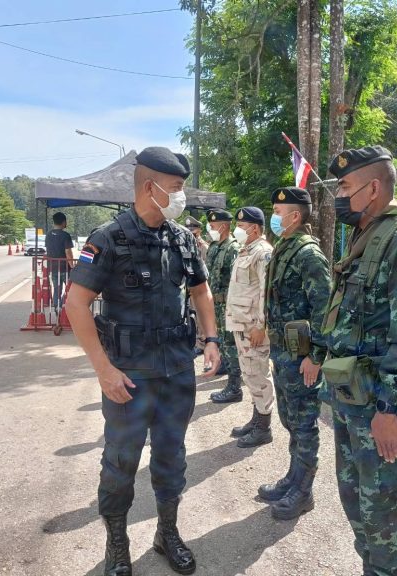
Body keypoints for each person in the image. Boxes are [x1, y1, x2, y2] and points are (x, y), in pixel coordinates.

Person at [65, 147, 221, 576]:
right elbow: (76, 304)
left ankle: (166, 532)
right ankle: (117, 543)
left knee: (172, 457)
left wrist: (211, 339)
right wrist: (104, 370)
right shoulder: (108, 238)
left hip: (175, 371)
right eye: (176, 187)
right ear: (150, 187)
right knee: (121, 462)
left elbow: (201, 290)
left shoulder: (182, 238)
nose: (182, 194)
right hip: (129, 376)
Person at [322, 146, 397, 576]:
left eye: (345, 187)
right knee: (354, 498)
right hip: (351, 397)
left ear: (372, 189)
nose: (339, 196)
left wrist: (389, 409)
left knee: (381, 506)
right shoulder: (365, 236)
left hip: (378, 405)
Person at [260, 186, 331, 520]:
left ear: (295, 215)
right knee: (290, 418)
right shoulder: (285, 247)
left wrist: (315, 356)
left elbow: (324, 308)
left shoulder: (308, 254)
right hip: (284, 348)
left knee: (304, 422)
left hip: (301, 352)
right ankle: (293, 478)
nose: (274, 217)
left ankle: (304, 492)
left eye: (278, 211)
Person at [225, 207, 275, 448]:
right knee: (250, 374)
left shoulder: (263, 253)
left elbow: (267, 291)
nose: (238, 230)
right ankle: (257, 419)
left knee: (258, 375)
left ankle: (264, 428)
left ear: (254, 228)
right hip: (242, 323)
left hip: (253, 327)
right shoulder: (246, 250)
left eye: (241, 226)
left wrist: (261, 326)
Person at [205, 208, 243, 403]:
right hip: (216, 304)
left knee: (231, 345)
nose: (210, 229)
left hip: (229, 305)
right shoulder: (214, 247)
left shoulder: (233, 248)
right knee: (222, 342)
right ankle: (225, 365)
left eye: (213, 226)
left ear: (223, 226)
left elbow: (238, 281)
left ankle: (235, 388)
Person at [184, 215, 209, 354]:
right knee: (190, 314)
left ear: (199, 230)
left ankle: (202, 342)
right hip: (188, 286)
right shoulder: (185, 244)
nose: (190, 233)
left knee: (200, 314)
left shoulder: (203, 247)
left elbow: (205, 270)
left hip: (199, 287)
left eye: (193, 230)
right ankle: (195, 340)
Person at [45, 211, 75, 310]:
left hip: (53, 267)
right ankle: (63, 306)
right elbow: (68, 252)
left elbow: (48, 250)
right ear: (64, 222)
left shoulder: (48, 234)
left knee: (57, 289)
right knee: (70, 288)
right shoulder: (65, 235)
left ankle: (57, 307)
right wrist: (72, 265)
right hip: (65, 268)